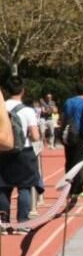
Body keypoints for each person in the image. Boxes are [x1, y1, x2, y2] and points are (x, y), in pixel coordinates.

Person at [0, 77, 43, 229]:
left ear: (6, 91)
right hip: (23, 151)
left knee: (3, 188)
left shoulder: (1, 108)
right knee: (24, 187)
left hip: (3, 150)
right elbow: (35, 135)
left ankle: (3, 222)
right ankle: (22, 222)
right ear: (23, 91)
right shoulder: (28, 111)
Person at [62, 83, 83, 197]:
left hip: (68, 134)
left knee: (69, 160)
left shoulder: (67, 102)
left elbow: (63, 117)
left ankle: (68, 188)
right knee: (79, 162)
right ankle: (77, 190)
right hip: (80, 135)